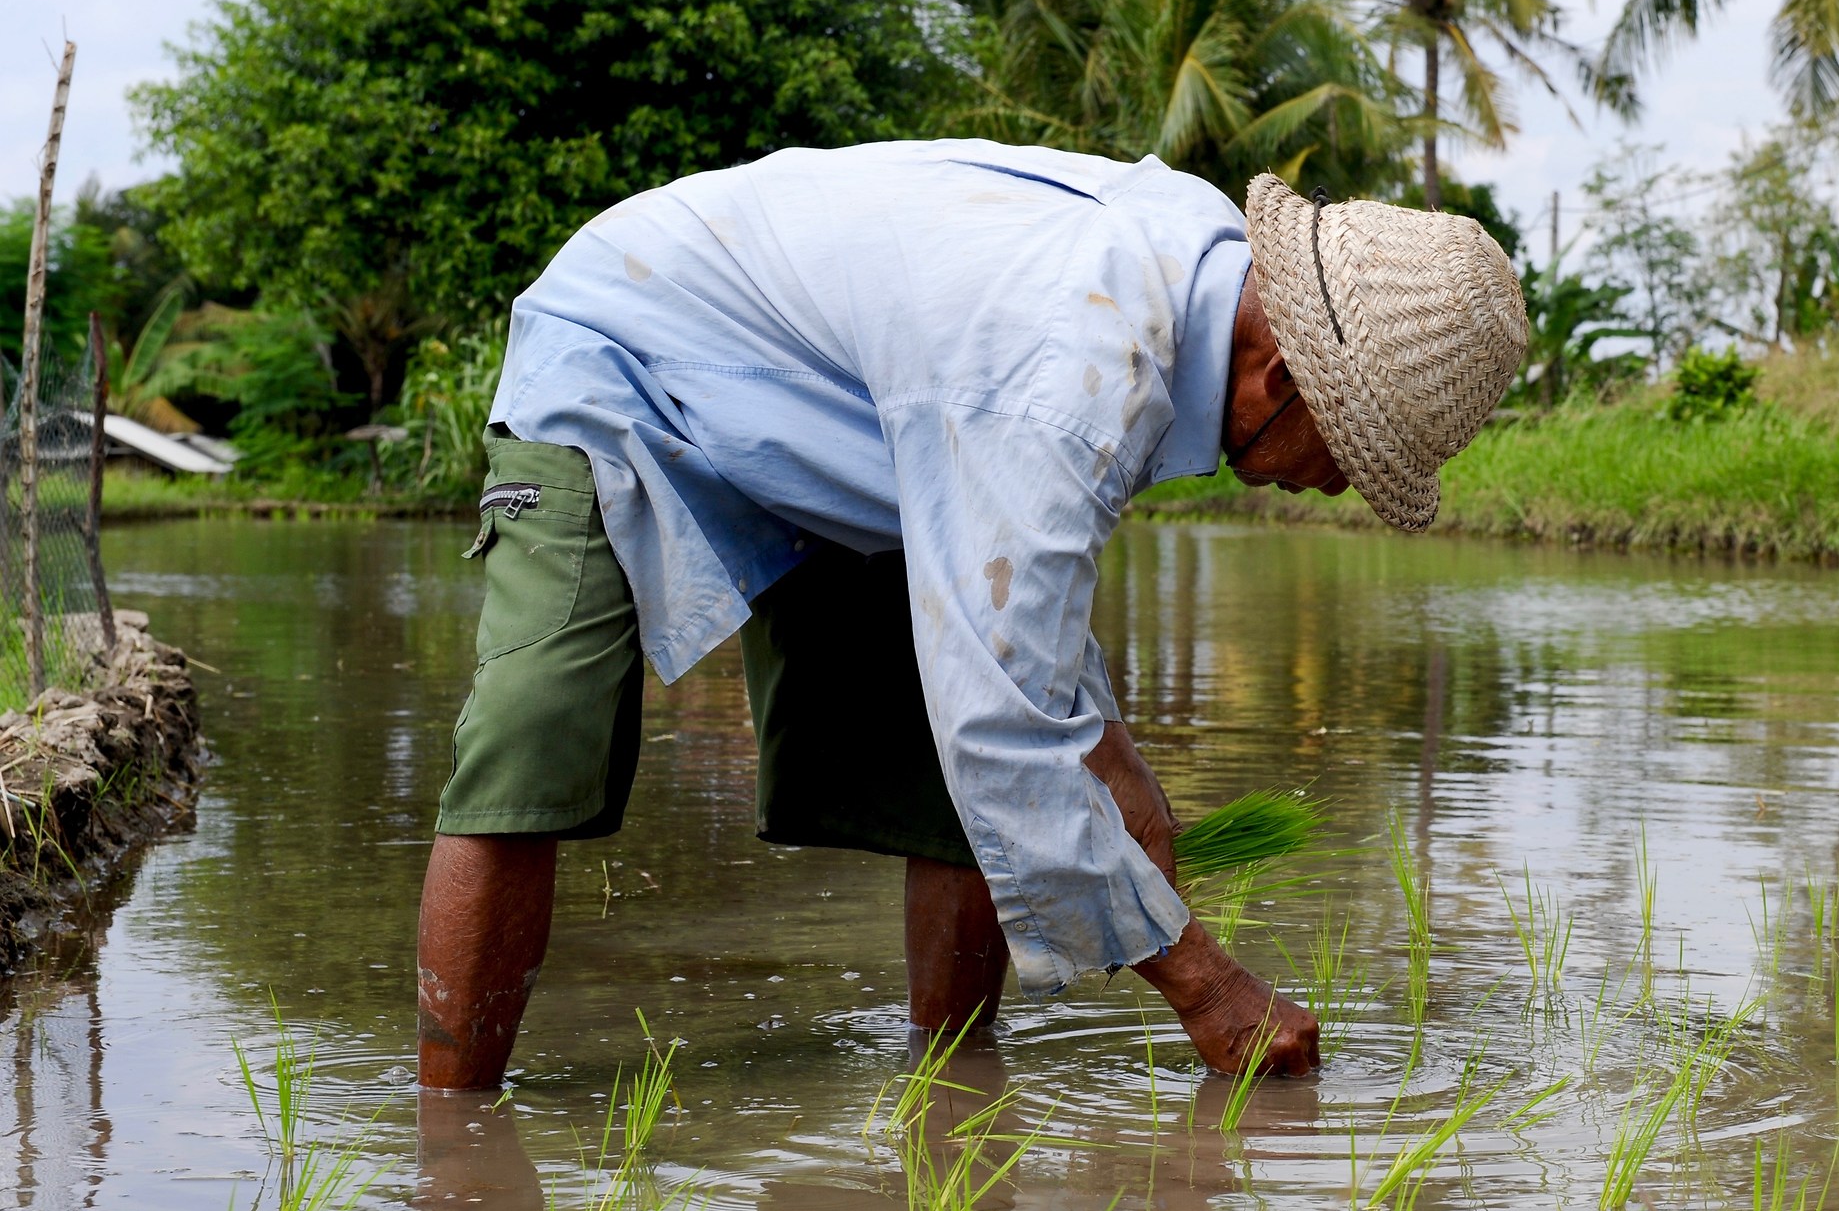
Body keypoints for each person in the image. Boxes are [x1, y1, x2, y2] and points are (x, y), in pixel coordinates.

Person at [414, 141, 1527, 1091]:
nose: (1332, 489)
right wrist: (1211, 991)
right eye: (1346, 456)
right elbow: (1005, 729)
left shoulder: (1188, 282)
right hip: (632, 346)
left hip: (869, 426)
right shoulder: (1072, 372)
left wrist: (1113, 755)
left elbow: (1018, 620)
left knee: (968, 788)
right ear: (1277, 377)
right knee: (535, 738)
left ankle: (947, 1099)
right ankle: (452, 1148)